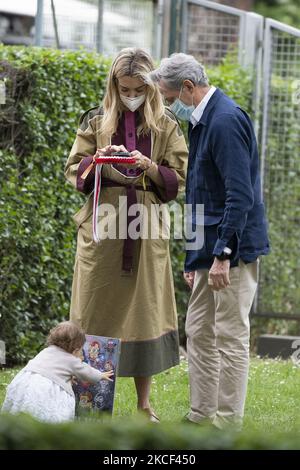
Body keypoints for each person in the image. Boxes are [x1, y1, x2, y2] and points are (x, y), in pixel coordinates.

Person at [64, 48, 188, 422]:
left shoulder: (167, 125)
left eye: (137, 88)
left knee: (144, 312)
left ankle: (144, 403)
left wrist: (149, 165)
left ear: (150, 87)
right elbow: (74, 172)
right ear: (113, 85)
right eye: (124, 87)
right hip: (102, 228)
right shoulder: (95, 121)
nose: (130, 94)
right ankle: (91, 403)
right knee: (94, 310)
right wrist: (99, 158)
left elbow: (178, 180)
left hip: (145, 227)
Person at [151, 53, 270, 429]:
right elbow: (201, 195)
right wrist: (193, 257)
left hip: (230, 250)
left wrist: (222, 255)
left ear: (188, 87)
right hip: (207, 250)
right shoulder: (201, 122)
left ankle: (226, 423)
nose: (168, 106)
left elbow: (240, 195)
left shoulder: (224, 120)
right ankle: (202, 414)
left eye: (169, 97)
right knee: (198, 329)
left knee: (230, 335)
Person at [1, 321, 113, 423]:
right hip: (45, 388)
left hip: (26, 381)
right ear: (76, 350)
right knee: (48, 410)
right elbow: (86, 371)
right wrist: (100, 375)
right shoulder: (71, 360)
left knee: (27, 406)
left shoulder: (46, 351)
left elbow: (53, 369)